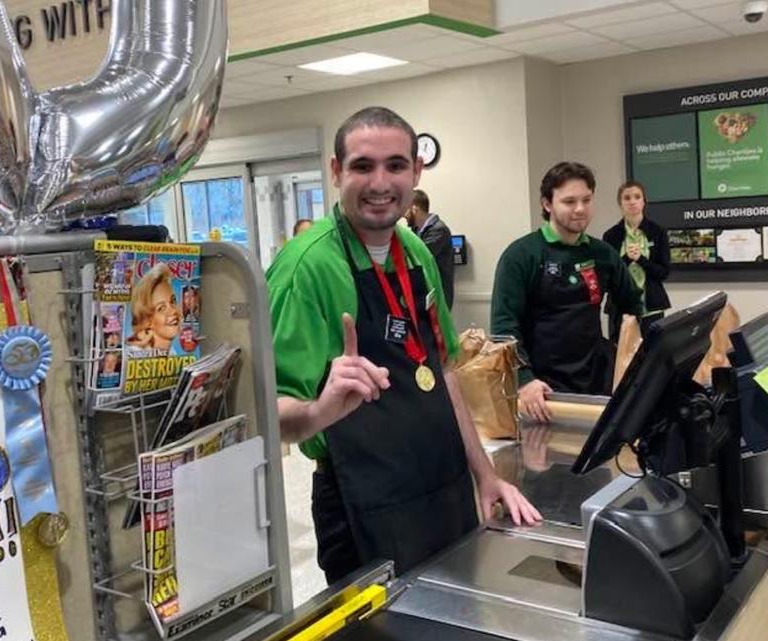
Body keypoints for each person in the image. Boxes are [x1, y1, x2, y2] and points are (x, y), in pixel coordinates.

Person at [267, 106, 541, 584]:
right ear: (336, 172)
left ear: (416, 172)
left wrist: (485, 473)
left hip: (442, 483)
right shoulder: (305, 268)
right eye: (362, 166)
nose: (380, 182)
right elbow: (267, 412)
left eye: (395, 165)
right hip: (364, 502)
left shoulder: (414, 251)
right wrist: (317, 412)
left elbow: (441, 368)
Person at [490, 162, 643, 423]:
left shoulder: (602, 253)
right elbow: (504, 328)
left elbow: (632, 303)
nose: (580, 209)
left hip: (597, 386)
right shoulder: (521, 255)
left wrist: (624, 355)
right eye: (569, 201)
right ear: (547, 204)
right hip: (542, 393)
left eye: (586, 199)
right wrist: (524, 380)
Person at [602, 181, 671, 343]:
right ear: (620, 204)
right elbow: (607, 276)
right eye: (627, 198)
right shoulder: (610, 236)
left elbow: (663, 272)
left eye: (637, 197)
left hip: (651, 308)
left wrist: (641, 259)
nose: (632, 202)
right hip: (620, 310)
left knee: (652, 356)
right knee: (620, 357)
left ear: (644, 201)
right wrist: (626, 258)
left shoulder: (657, 232)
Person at [405, 189, 455, 307]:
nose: (403, 215)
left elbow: (416, 257)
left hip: (438, 297)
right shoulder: (416, 231)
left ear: (414, 209)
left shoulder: (438, 230)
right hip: (424, 295)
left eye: (405, 210)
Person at [126, 263, 182, 353]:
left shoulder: (171, 353)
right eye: (161, 308)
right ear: (147, 321)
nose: (173, 310)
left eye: (173, 301)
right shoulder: (134, 356)